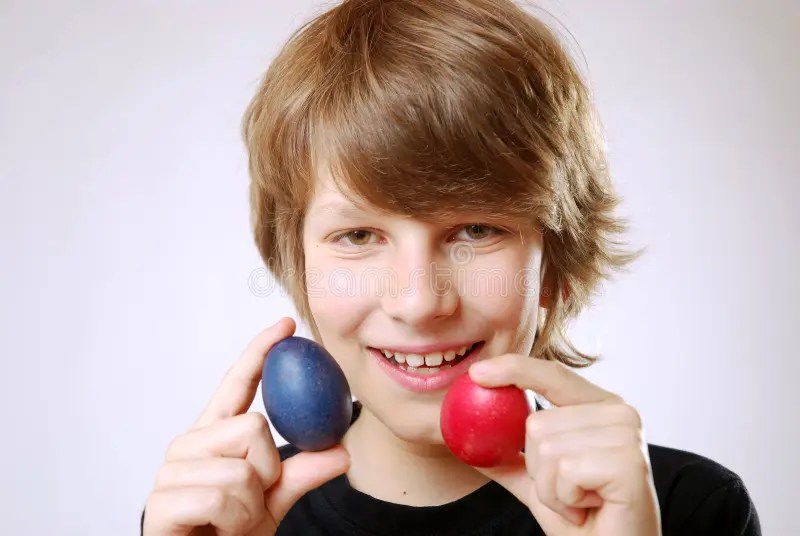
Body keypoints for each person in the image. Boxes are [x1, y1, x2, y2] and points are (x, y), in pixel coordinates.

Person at [141, 0, 761, 534]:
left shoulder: (686, 512)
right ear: (297, 264)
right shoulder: (218, 523)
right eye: (358, 234)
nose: (418, 302)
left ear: (555, 263)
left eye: (476, 230)